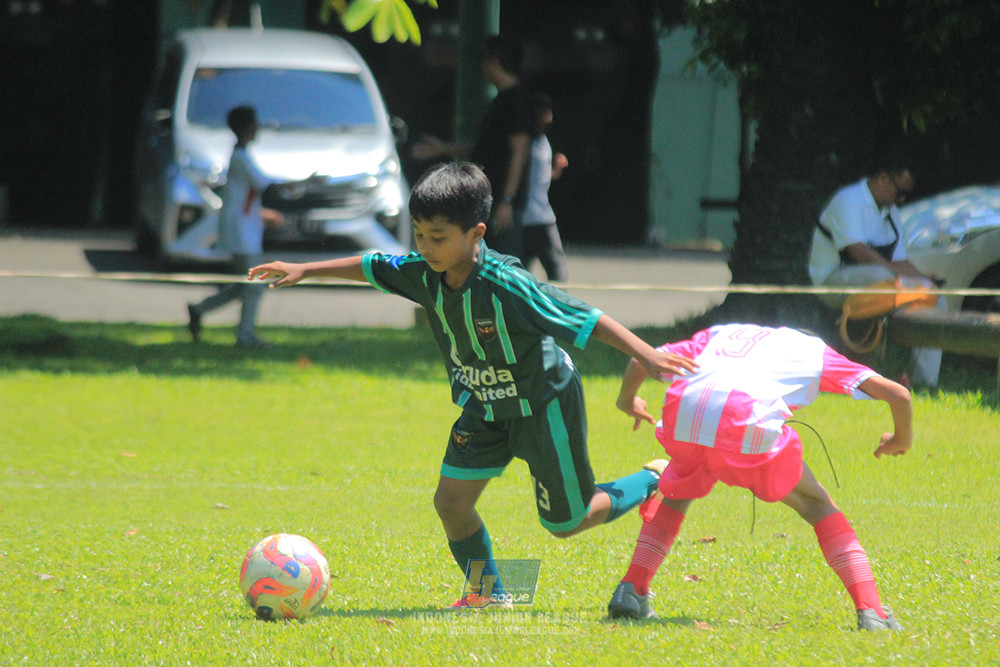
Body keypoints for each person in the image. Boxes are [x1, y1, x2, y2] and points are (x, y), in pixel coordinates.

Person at [248, 162, 698, 608]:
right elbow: (370, 265)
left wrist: (648, 355)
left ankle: (650, 478)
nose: (425, 246)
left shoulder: (508, 284)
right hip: (484, 407)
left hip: (543, 403)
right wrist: (305, 270)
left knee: (567, 523)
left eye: (438, 237)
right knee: (451, 503)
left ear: (476, 233)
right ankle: (489, 594)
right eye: (419, 234)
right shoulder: (424, 273)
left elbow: (588, 319)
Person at [605, 323, 912, 631]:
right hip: (744, 418)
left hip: (683, 412)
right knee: (816, 504)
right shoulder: (814, 352)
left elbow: (641, 359)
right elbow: (899, 395)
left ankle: (631, 588)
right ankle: (872, 610)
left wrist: (627, 399)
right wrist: (901, 439)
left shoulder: (722, 333)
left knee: (679, 489)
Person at [808, 149, 943, 386]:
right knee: (883, 277)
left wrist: (924, 281)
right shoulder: (848, 201)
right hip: (832, 281)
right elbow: (858, 252)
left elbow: (900, 261)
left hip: (879, 282)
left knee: (934, 297)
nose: (901, 200)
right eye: (900, 193)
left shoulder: (891, 212)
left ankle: (926, 383)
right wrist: (903, 281)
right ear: (882, 178)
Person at [410, 35, 533, 258]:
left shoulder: (517, 101)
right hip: (488, 201)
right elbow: (486, 148)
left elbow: (520, 151)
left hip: (503, 205)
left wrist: (507, 200)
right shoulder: (501, 99)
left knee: (505, 265)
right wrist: (442, 148)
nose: (482, 66)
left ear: (495, 62)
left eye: (484, 59)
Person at [186, 105, 284, 348]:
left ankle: (201, 309)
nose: (258, 127)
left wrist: (263, 213)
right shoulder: (240, 157)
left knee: (247, 283)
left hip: (244, 229)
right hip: (241, 232)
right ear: (248, 127)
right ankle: (245, 336)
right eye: (255, 122)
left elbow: (246, 196)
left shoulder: (241, 155)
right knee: (255, 283)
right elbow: (268, 187)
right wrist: (305, 183)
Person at [520, 91, 569, 282]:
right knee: (557, 268)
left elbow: (539, 179)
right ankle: (559, 308)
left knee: (522, 265)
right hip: (539, 218)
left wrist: (555, 170)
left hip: (533, 215)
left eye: (548, 112)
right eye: (542, 113)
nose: (548, 118)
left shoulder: (543, 141)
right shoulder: (525, 142)